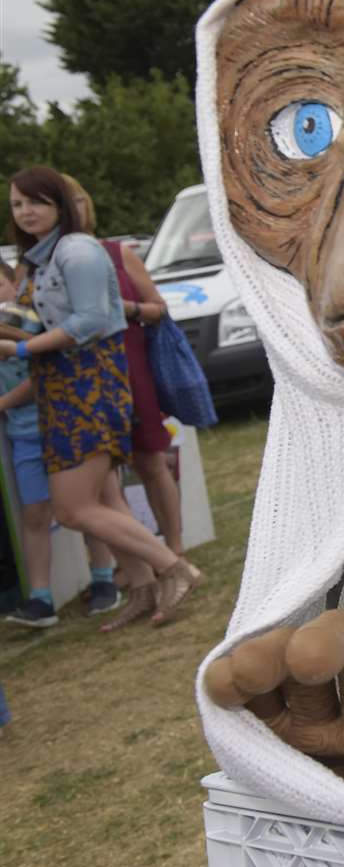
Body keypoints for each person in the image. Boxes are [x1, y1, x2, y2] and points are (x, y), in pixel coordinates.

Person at [1, 167, 201, 622]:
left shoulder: (77, 250)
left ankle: (175, 568)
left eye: (36, 202)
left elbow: (89, 322)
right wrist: (17, 336)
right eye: (17, 204)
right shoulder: (38, 258)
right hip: (61, 389)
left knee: (73, 509)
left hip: (89, 388)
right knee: (105, 499)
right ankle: (144, 590)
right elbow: (37, 321)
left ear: (60, 206)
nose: (25, 212)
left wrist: (22, 348)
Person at [68, 180, 194, 626]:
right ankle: (138, 572)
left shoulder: (117, 253)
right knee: (105, 483)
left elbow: (158, 308)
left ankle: (174, 547)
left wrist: (124, 307)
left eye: (81, 200)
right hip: (83, 382)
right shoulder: (50, 265)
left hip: (130, 364)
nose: (77, 209)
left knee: (151, 460)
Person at [0, 263, 67, 627]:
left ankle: (104, 578)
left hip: (60, 426)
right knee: (34, 513)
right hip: (21, 436)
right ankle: (41, 599)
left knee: (87, 507)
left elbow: (43, 377)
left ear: (15, 285)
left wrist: (4, 404)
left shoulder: (35, 323)